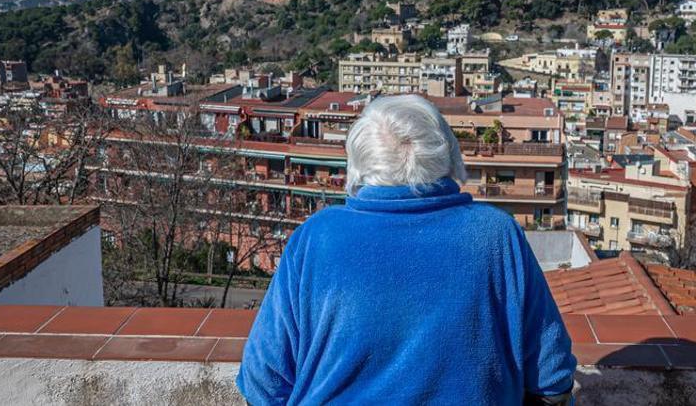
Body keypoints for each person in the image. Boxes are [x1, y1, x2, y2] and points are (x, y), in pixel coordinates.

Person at [237, 94, 577, 405]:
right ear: (448, 156)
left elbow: (263, 383)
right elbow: (552, 376)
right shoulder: (497, 235)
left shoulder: (316, 237)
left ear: (356, 168)